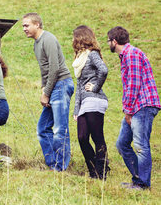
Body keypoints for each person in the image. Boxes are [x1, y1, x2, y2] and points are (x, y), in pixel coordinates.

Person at [107, 26, 160, 190]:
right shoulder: (126, 56)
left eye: (108, 41)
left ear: (114, 41)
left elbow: (134, 84)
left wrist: (128, 110)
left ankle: (143, 184)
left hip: (142, 106)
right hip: (135, 107)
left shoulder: (132, 54)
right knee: (122, 144)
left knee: (141, 146)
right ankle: (138, 180)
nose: (108, 44)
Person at [22, 13, 74, 171]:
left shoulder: (48, 39)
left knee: (60, 129)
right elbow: (44, 70)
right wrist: (44, 88)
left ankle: (61, 167)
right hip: (53, 87)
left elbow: (55, 68)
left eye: (27, 25)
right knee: (43, 129)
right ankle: (53, 164)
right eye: (23, 26)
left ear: (37, 24)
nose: (24, 29)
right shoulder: (36, 44)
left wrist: (47, 92)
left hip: (61, 84)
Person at [72, 25, 110, 179]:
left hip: (95, 100)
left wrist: (95, 87)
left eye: (74, 37)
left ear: (81, 37)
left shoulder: (92, 54)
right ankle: (94, 169)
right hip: (84, 103)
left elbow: (104, 70)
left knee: (97, 137)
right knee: (82, 137)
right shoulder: (79, 59)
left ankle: (100, 173)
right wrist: (76, 109)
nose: (73, 40)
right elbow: (79, 86)